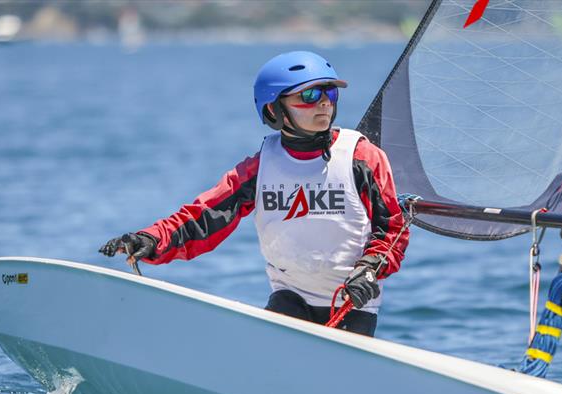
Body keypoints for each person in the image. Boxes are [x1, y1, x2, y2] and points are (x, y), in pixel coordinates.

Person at [99, 51, 408, 337]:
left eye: (330, 93)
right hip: (290, 296)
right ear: (274, 108)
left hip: (352, 301)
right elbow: (202, 218)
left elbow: (392, 229)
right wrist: (150, 240)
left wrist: (370, 269)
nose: (324, 103)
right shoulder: (260, 168)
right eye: (310, 95)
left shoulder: (362, 157)